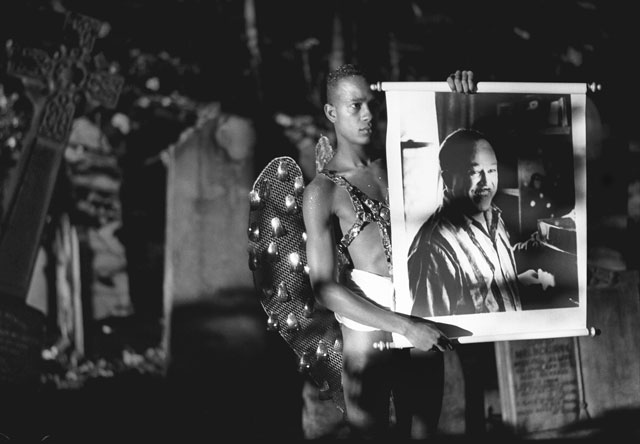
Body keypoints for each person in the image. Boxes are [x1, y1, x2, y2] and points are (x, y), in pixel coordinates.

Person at [301, 65, 476, 439]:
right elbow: (324, 288)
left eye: (371, 104)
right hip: (369, 334)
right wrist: (404, 326)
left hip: (422, 316)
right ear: (332, 112)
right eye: (355, 106)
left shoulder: (403, 166)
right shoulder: (322, 191)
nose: (367, 115)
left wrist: (455, 99)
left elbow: (459, 152)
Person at [407, 128, 554, 317]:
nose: (487, 182)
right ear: (447, 179)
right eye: (474, 172)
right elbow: (431, 331)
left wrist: (519, 278)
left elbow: (486, 270)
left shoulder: (492, 217)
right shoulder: (434, 247)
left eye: (492, 170)